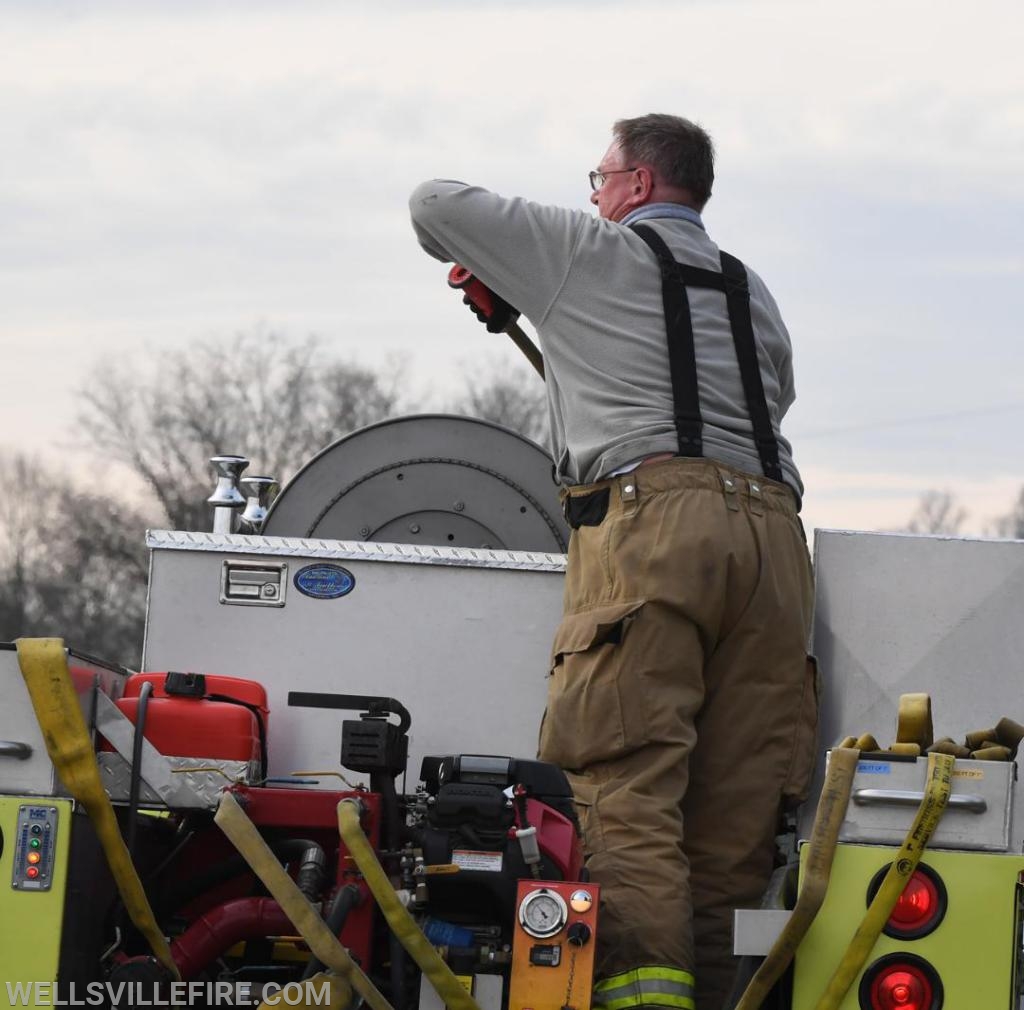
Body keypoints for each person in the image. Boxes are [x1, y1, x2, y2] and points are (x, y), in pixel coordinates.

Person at [409, 114, 816, 1010]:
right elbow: (737, 397)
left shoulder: (587, 251)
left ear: (635, 186)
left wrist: (535, 271)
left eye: (598, 179)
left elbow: (434, 204)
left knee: (619, 789)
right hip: (777, 546)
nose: (592, 196)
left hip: (656, 531)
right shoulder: (755, 295)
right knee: (731, 824)